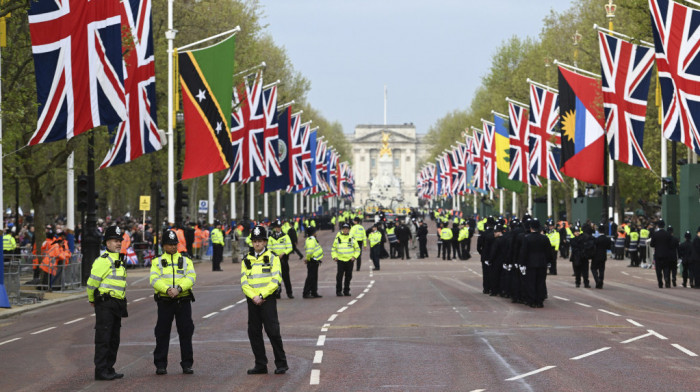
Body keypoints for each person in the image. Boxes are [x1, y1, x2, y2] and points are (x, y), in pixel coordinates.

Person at [241, 225, 288, 375]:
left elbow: (276, 280)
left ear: (265, 242)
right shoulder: (246, 259)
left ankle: (281, 363)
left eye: (260, 241)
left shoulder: (273, 257)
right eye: (255, 241)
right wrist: (253, 297)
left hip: (267, 300)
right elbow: (244, 282)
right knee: (254, 332)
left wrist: (261, 295)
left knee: (273, 331)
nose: (257, 244)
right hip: (252, 301)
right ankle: (260, 364)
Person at [151, 229, 197, 375]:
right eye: (169, 244)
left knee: (186, 332)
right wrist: (167, 290)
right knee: (162, 333)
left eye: (174, 244)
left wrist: (178, 288)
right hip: (165, 301)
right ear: (163, 246)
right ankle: (160, 364)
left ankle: (187, 364)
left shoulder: (186, 260)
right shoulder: (156, 261)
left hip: (182, 300)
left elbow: (191, 277)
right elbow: (154, 279)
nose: (172, 247)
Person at [86, 226, 128, 381]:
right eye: (115, 241)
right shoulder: (102, 261)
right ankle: (101, 371)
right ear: (107, 243)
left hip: (117, 304)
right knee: (104, 338)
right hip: (105, 304)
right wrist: (92, 299)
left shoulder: (119, 260)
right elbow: (91, 283)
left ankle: (109, 368)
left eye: (119, 241)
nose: (118, 243)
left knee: (114, 339)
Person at [519, 219, 552, 308]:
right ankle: (540, 301)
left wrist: (522, 264)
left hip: (530, 263)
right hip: (542, 263)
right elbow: (549, 252)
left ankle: (532, 300)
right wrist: (549, 262)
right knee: (541, 282)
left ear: (531, 228)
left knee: (531, 282)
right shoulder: (545, 238)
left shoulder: (527, 238)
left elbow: (523, 252)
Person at [332, 222, 360, 296]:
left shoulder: (352, 238)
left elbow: (357, 249)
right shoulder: (338, 238)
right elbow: (333, 249)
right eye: (344, 229)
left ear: (349, 230)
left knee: (348, 276)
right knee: (339, 276)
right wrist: (334, 256)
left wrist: (354, 257)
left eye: (347, 229)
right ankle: (338, 291)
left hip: (350, 260)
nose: (345, 230)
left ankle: (346, 290)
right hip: (340, 260)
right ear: (342, 229)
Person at [269, 221, 294, 299]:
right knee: (276, 277)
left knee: (286, 277)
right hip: (275, 260)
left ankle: (289, 293)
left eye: (279, 227)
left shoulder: (285, 236)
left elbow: (290, 247)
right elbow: (269, 248)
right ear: (275, 228)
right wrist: (274, 255)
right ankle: (277, 293)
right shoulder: (271, 237)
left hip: (283, 259)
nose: (278, 228)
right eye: (277, 227)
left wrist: (283, 253)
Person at [650, 220, 674, 288]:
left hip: (658, 254)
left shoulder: (655, 234)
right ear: (664, 225)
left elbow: (651, 244)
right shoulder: (668, 234)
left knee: (658, 269)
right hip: (666, 254)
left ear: (658, 225)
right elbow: (671, 244)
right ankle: (666, 278)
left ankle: (660, 282)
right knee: (666, 268)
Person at [303, 227, 323, 298]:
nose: (316, 232)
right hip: (312, 261)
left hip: (314, 260)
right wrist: (308, 259)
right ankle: (306, 292)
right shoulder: (311, 240)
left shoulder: (311, 239)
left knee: (314, 277)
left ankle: (314, 292)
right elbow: (310, 251)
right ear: (313, 233)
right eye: (315, 231)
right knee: (310, 278)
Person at [591, 224, 612, 289]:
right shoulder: (607, 239)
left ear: (599, 231)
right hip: (603, 256)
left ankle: (597, 280)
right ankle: (601, 282)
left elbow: (593, 247)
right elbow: (609, 247)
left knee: (593, 268)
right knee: (601, 270)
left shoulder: (596, 239)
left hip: (596, 256)